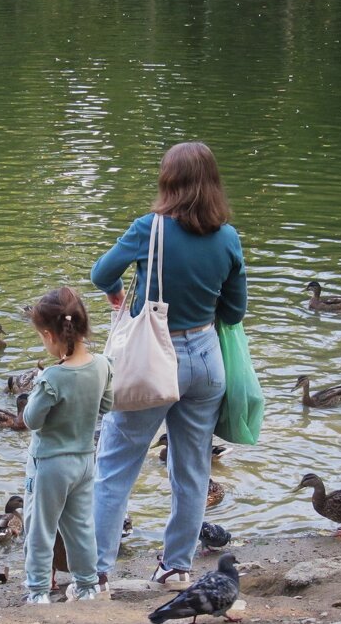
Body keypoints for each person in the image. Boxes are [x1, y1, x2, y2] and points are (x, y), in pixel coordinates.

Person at [90, 141, 247, 593]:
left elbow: (101, 273)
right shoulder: (228, 237)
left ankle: (97, 572)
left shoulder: (149, 228)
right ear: (213, 183)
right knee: (192, 470)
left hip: (151, 359)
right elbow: (235, 311)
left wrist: (117, 292)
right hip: (207, 359)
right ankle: (176, 568)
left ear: (167, 181)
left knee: (116, 465)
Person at [21, 287, 114, 604]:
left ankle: (38, 592)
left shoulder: (52, 378)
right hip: (85, 462)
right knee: (81, 527)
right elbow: (107, 405)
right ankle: (87, 587)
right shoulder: (102, 365)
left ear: (49, 335)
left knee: (40, 528)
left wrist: (38, 386)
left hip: (50, 465)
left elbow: (32, 420)